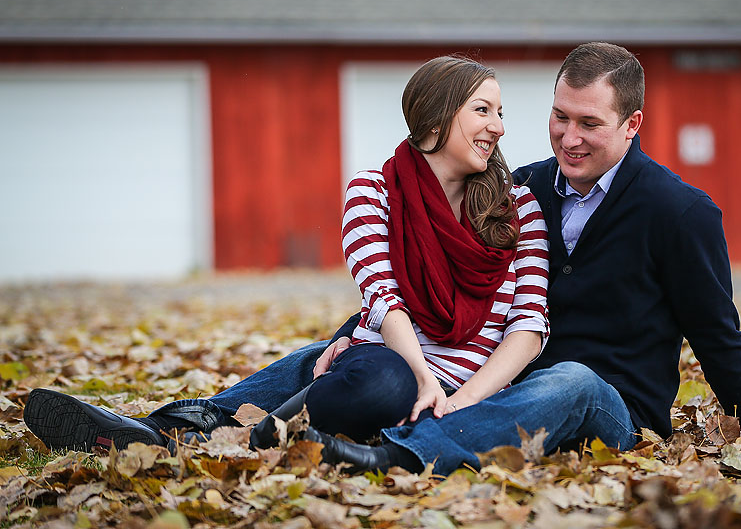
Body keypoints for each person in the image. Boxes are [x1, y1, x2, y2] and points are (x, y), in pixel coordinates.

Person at [25, 42, 741, 477]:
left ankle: (395, 454)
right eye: (557, 117)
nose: (566, 136)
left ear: (632, 123)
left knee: (572, 377)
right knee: (343, 349)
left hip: (607, 404)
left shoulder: (680, 212)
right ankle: (180, 424)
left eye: (589, 124)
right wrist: (358, 331)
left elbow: (716, 332)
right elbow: (423, 280)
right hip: (499, 380)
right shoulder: (524, 188)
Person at [24, 56, 551, 456]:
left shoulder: (517, 206)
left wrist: (456, 400)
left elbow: (527, 325)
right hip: (392, 362)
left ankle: (227, 436)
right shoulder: (373, 193)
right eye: (483, 110)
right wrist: (422, 376)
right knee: (380, 382)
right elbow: (383, 300)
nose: (500, 127)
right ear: (434, 120)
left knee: (339, 368)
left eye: (501, 112)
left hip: (471, 386)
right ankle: (170, 430)